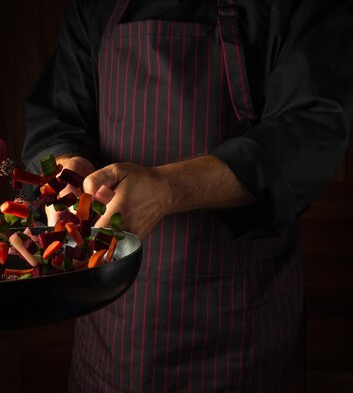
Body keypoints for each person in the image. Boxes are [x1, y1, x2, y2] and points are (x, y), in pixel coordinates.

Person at [21, 0, 353, 391]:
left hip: (242, 338)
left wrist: (169, 188)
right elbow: (59, 116)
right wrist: (66, 169)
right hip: (112, 340)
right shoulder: (95, 7)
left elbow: (309, 132)